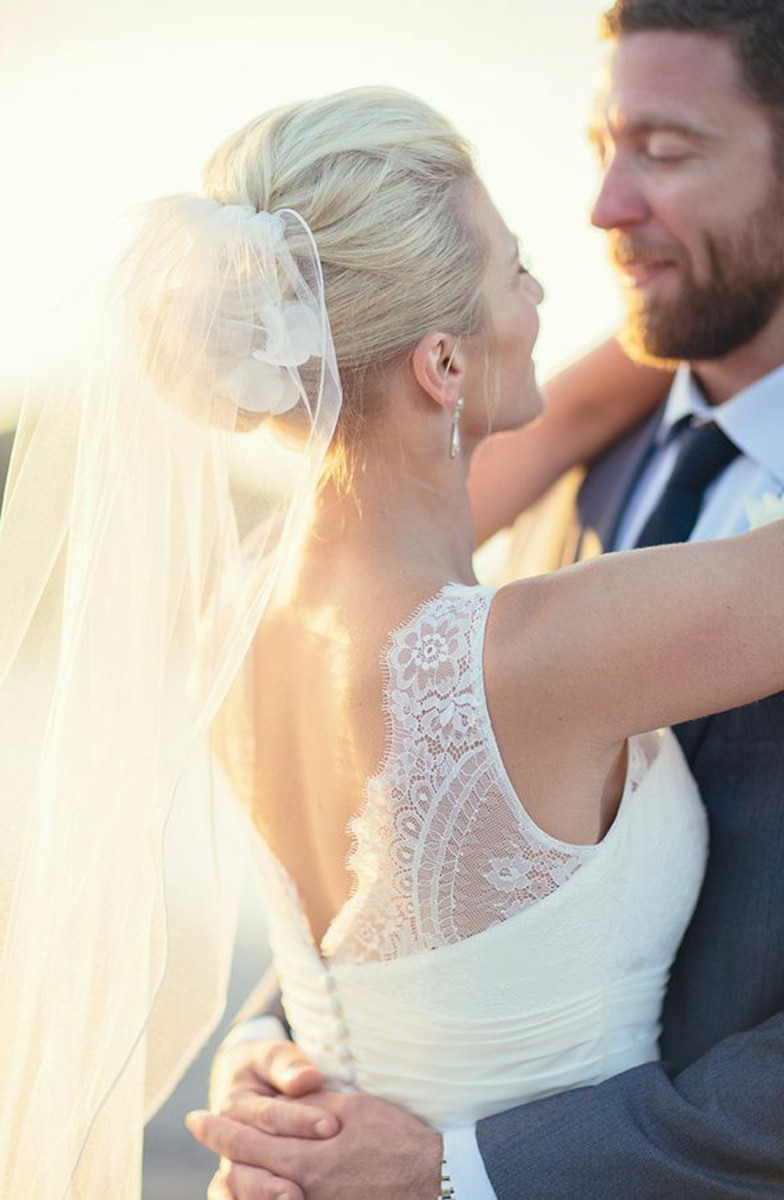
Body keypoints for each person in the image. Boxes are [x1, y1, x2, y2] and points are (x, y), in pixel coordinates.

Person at [189, 4, 784, 1199]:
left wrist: (264, 1057)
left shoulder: (247, 619)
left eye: (660, 150)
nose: (589, 230)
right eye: (511, 268)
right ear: (442, 364)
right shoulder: (540, 643)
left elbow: (376, 932)